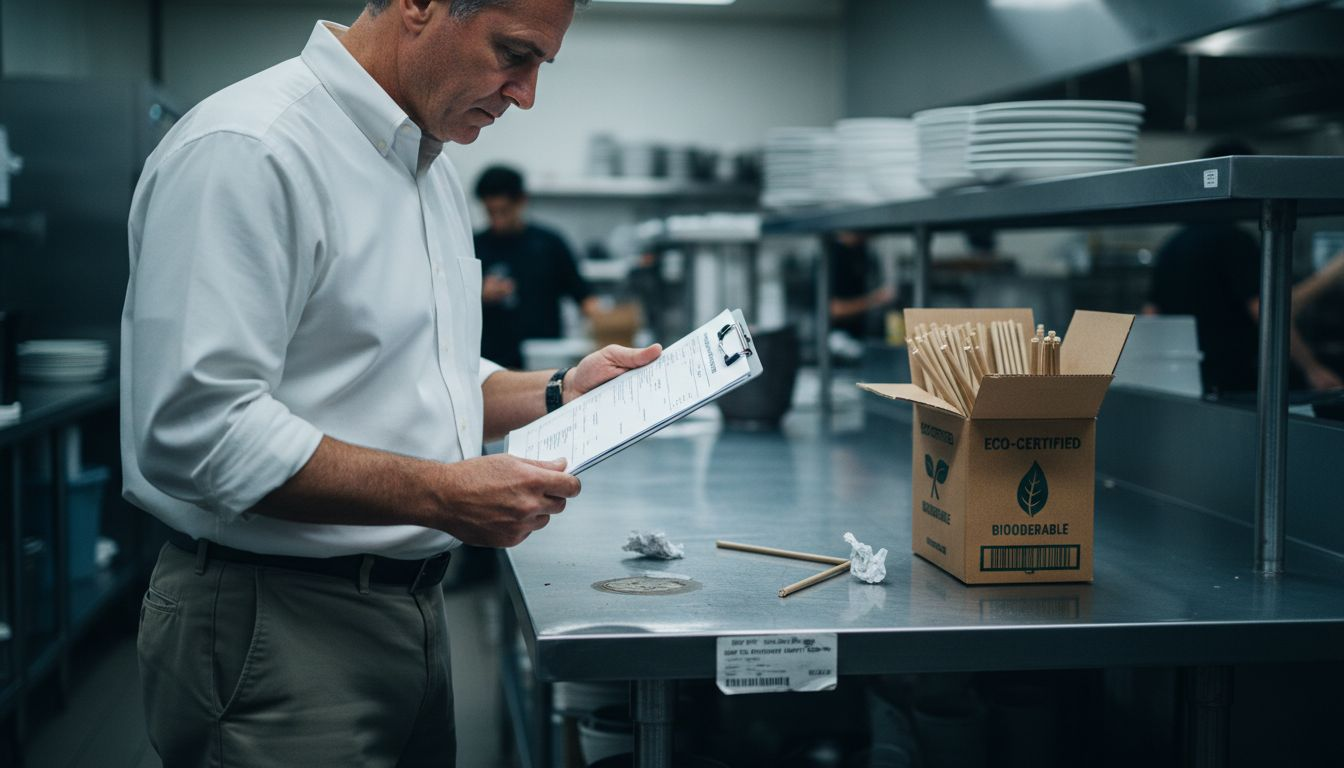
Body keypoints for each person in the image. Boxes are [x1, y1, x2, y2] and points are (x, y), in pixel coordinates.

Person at [121, 1, 658, 766]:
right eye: (514, 54)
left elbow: (425, 375)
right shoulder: (250, 147)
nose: (527, 95)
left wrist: (562, 389)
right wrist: (441, 495)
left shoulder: (427, 167)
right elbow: (198, 432)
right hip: (277, 619)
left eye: (541, 65)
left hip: (411, 607)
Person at [1145, 140, 1342, 396]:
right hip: (1231, 381)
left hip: (1188, 381)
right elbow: (1268, 312)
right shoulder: (1234, 240)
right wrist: (1312, 368)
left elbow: (1152, 313)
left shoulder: (1172, 243)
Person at [474, 164, 599, 368]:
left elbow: (584, 297)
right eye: (491, 212)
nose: (498, 221)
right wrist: (477, 293)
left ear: (521, 201)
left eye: (504, 211)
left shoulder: (550, 243)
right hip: (489, 363)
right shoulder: (473, 246)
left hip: (544, 361)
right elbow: (450, 303)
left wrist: (610, 328)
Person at [826, 230, 895, 343]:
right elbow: (834, 309)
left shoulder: (862, 251)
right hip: (837, 337)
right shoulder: (833, 255)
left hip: (862, 335)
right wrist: (875, 299)